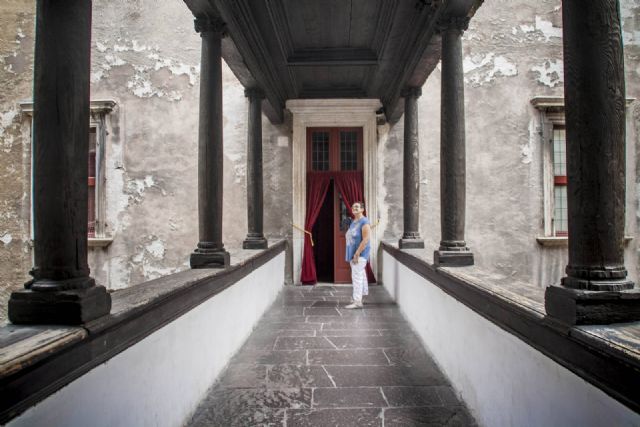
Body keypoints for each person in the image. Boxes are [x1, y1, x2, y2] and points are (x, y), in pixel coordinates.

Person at [344, 201, 371, 309]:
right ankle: (360, 297)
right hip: (354, 253)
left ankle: (357, 302)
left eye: (356, 207)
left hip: (359, 254)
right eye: (353, 206)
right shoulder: (354, 221)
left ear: (362, 209)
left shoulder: (364, 221)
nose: (354, 208)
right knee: (360, 274)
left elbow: (366, 239)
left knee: (357, 277)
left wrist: (357, 254)